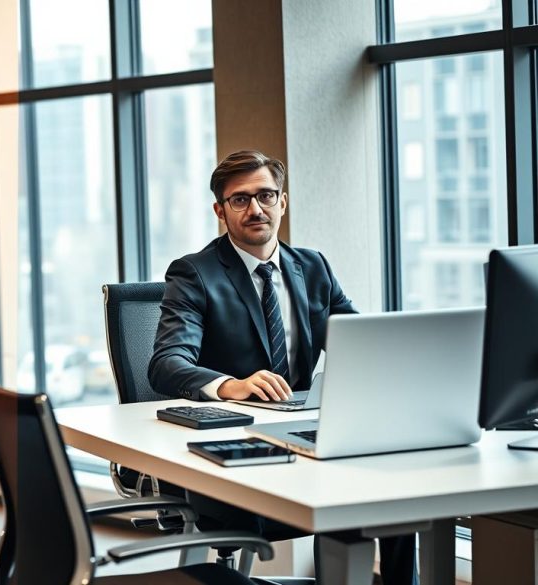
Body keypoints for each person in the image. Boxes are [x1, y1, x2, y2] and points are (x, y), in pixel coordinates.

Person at [148, 150, 416, 584]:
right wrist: (230, 385)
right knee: (350, 499)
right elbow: (166, 364)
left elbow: (362, 346)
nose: (256, 209)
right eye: (240, 200)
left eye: (266, 196)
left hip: (305, 434)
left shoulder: (313, 267)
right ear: (220, 211)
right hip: (237, 450)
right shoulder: (195, 273)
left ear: (283, 202)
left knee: (395, 495)